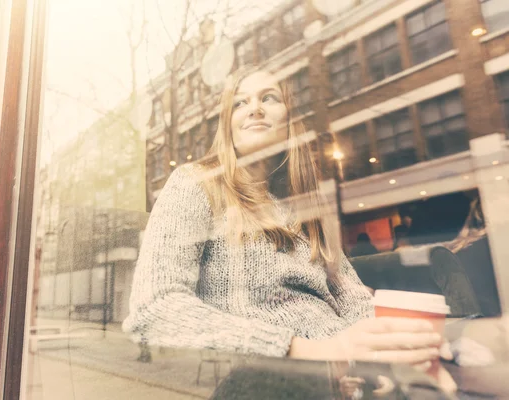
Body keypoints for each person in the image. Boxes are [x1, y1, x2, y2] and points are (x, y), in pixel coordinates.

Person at [123, 67, 453, 384]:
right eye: (239, 102)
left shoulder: (302, 207)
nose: (254, 109)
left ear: (288, 119)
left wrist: (398, 343)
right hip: (275, 381)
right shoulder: (195, 184)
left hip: (345, 377)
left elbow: (351, 297)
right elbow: (154, 307)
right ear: (227, 125)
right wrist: (315, 352)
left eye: (268, 98)